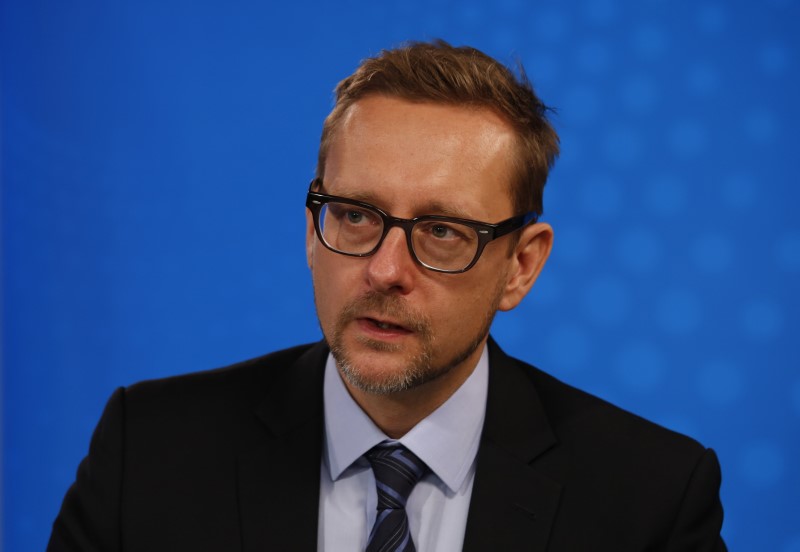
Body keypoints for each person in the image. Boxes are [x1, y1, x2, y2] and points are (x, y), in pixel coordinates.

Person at [48, 40, 726, 551]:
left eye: (440, 231)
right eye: (355, 215)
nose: (384, 270)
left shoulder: (650, 500)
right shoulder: (150, 452)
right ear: (312, 230)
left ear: (521, 265)